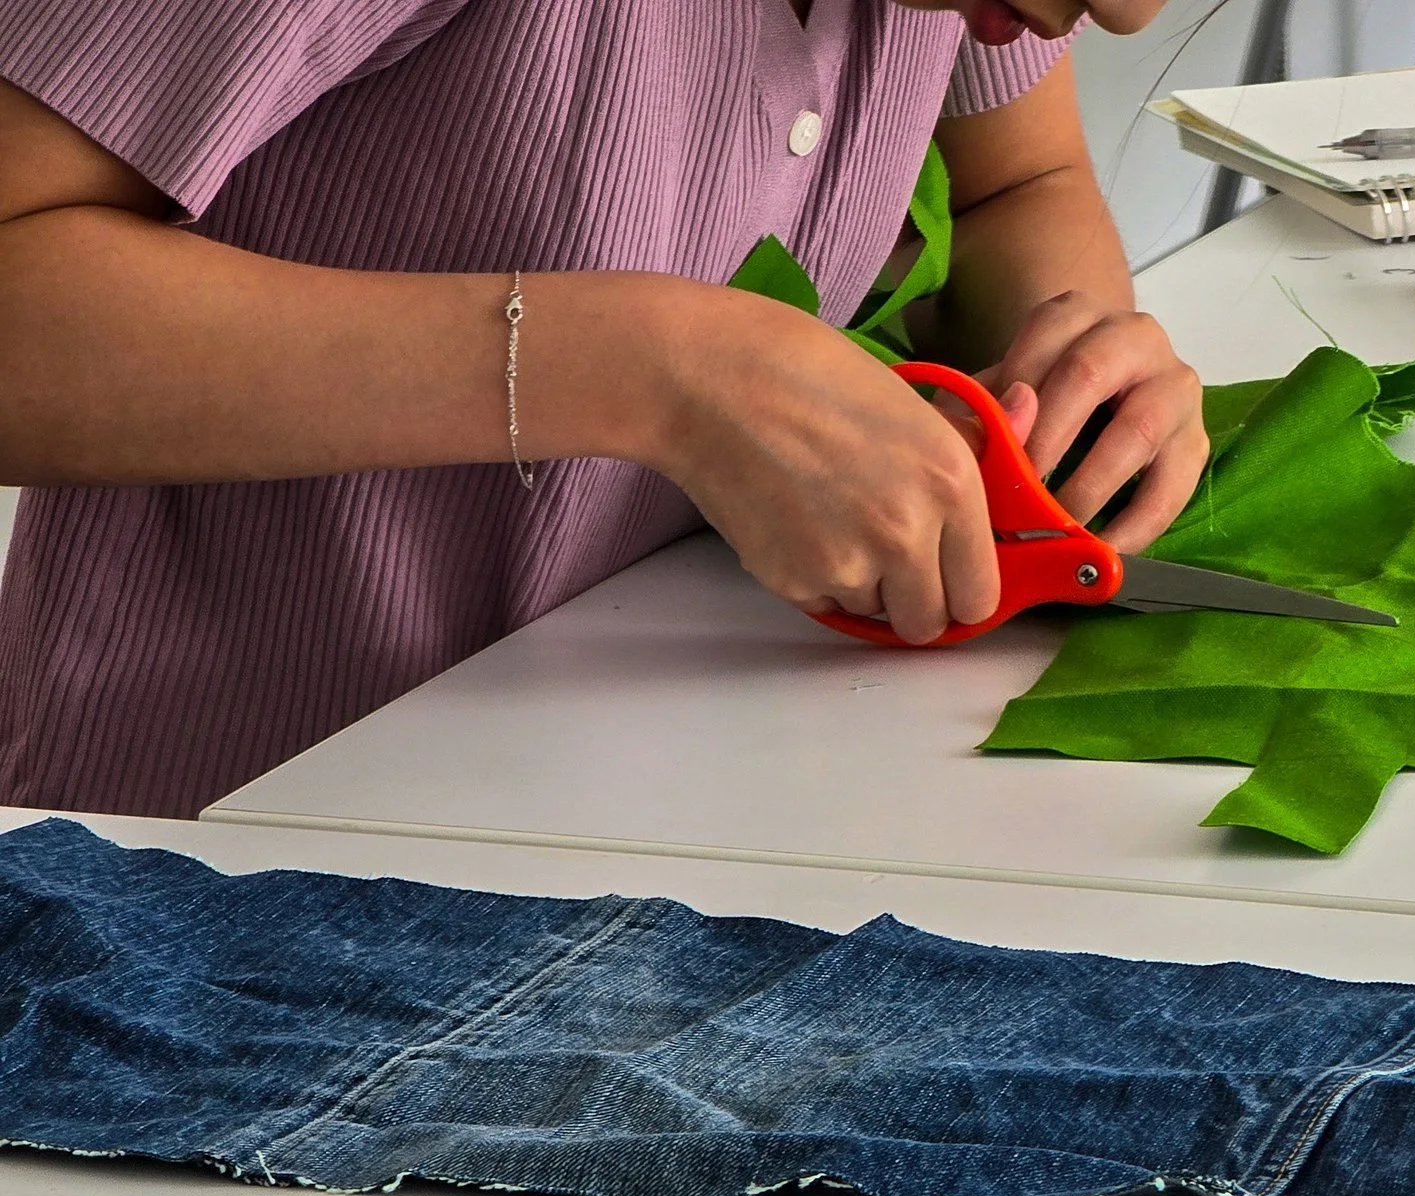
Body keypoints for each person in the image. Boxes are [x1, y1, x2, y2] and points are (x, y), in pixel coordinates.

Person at [0, 0, 1207, 816]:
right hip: (227, 871)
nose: (1130, 16)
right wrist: (648, 368)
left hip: (683, 818)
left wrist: (1064, 378)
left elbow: (1015, 184)